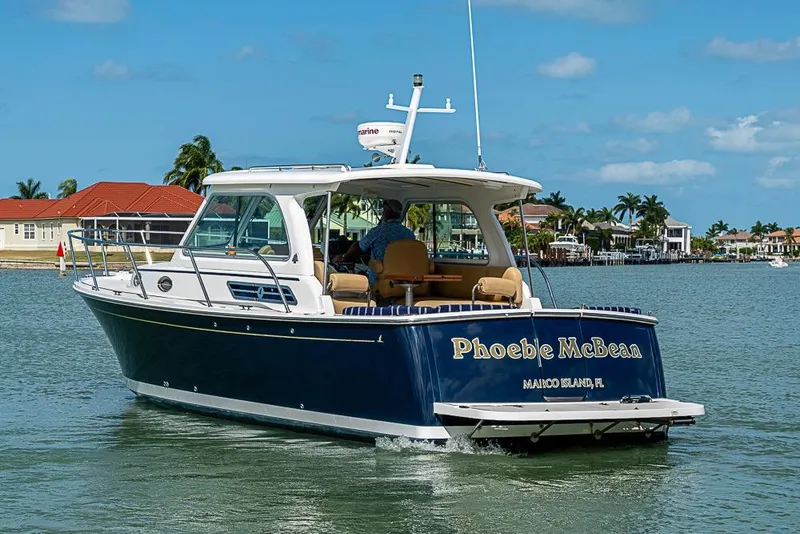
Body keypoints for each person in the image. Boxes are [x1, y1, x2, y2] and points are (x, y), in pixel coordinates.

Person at [335, 199, 415, 281]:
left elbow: (358, 248)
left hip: (380, 280)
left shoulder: (377, 232)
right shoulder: (410, 234)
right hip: (405, 280)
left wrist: (345, 258)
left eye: (383, 211)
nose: (383, 213)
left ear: (387, 213)